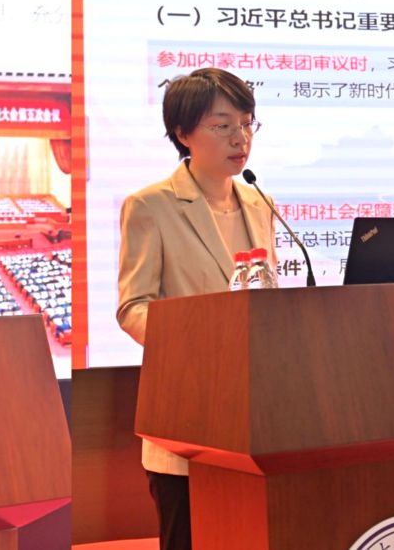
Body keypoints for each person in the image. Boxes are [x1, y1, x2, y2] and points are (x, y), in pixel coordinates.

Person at [115, 67, 279, 550]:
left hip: (257, 423)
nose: (240, 138)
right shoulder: (151, 206)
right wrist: (201, 338)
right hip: (187, 419)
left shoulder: (260, 202)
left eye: (246, 123)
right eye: (222, 125)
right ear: (183, 134)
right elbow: (133, 307)